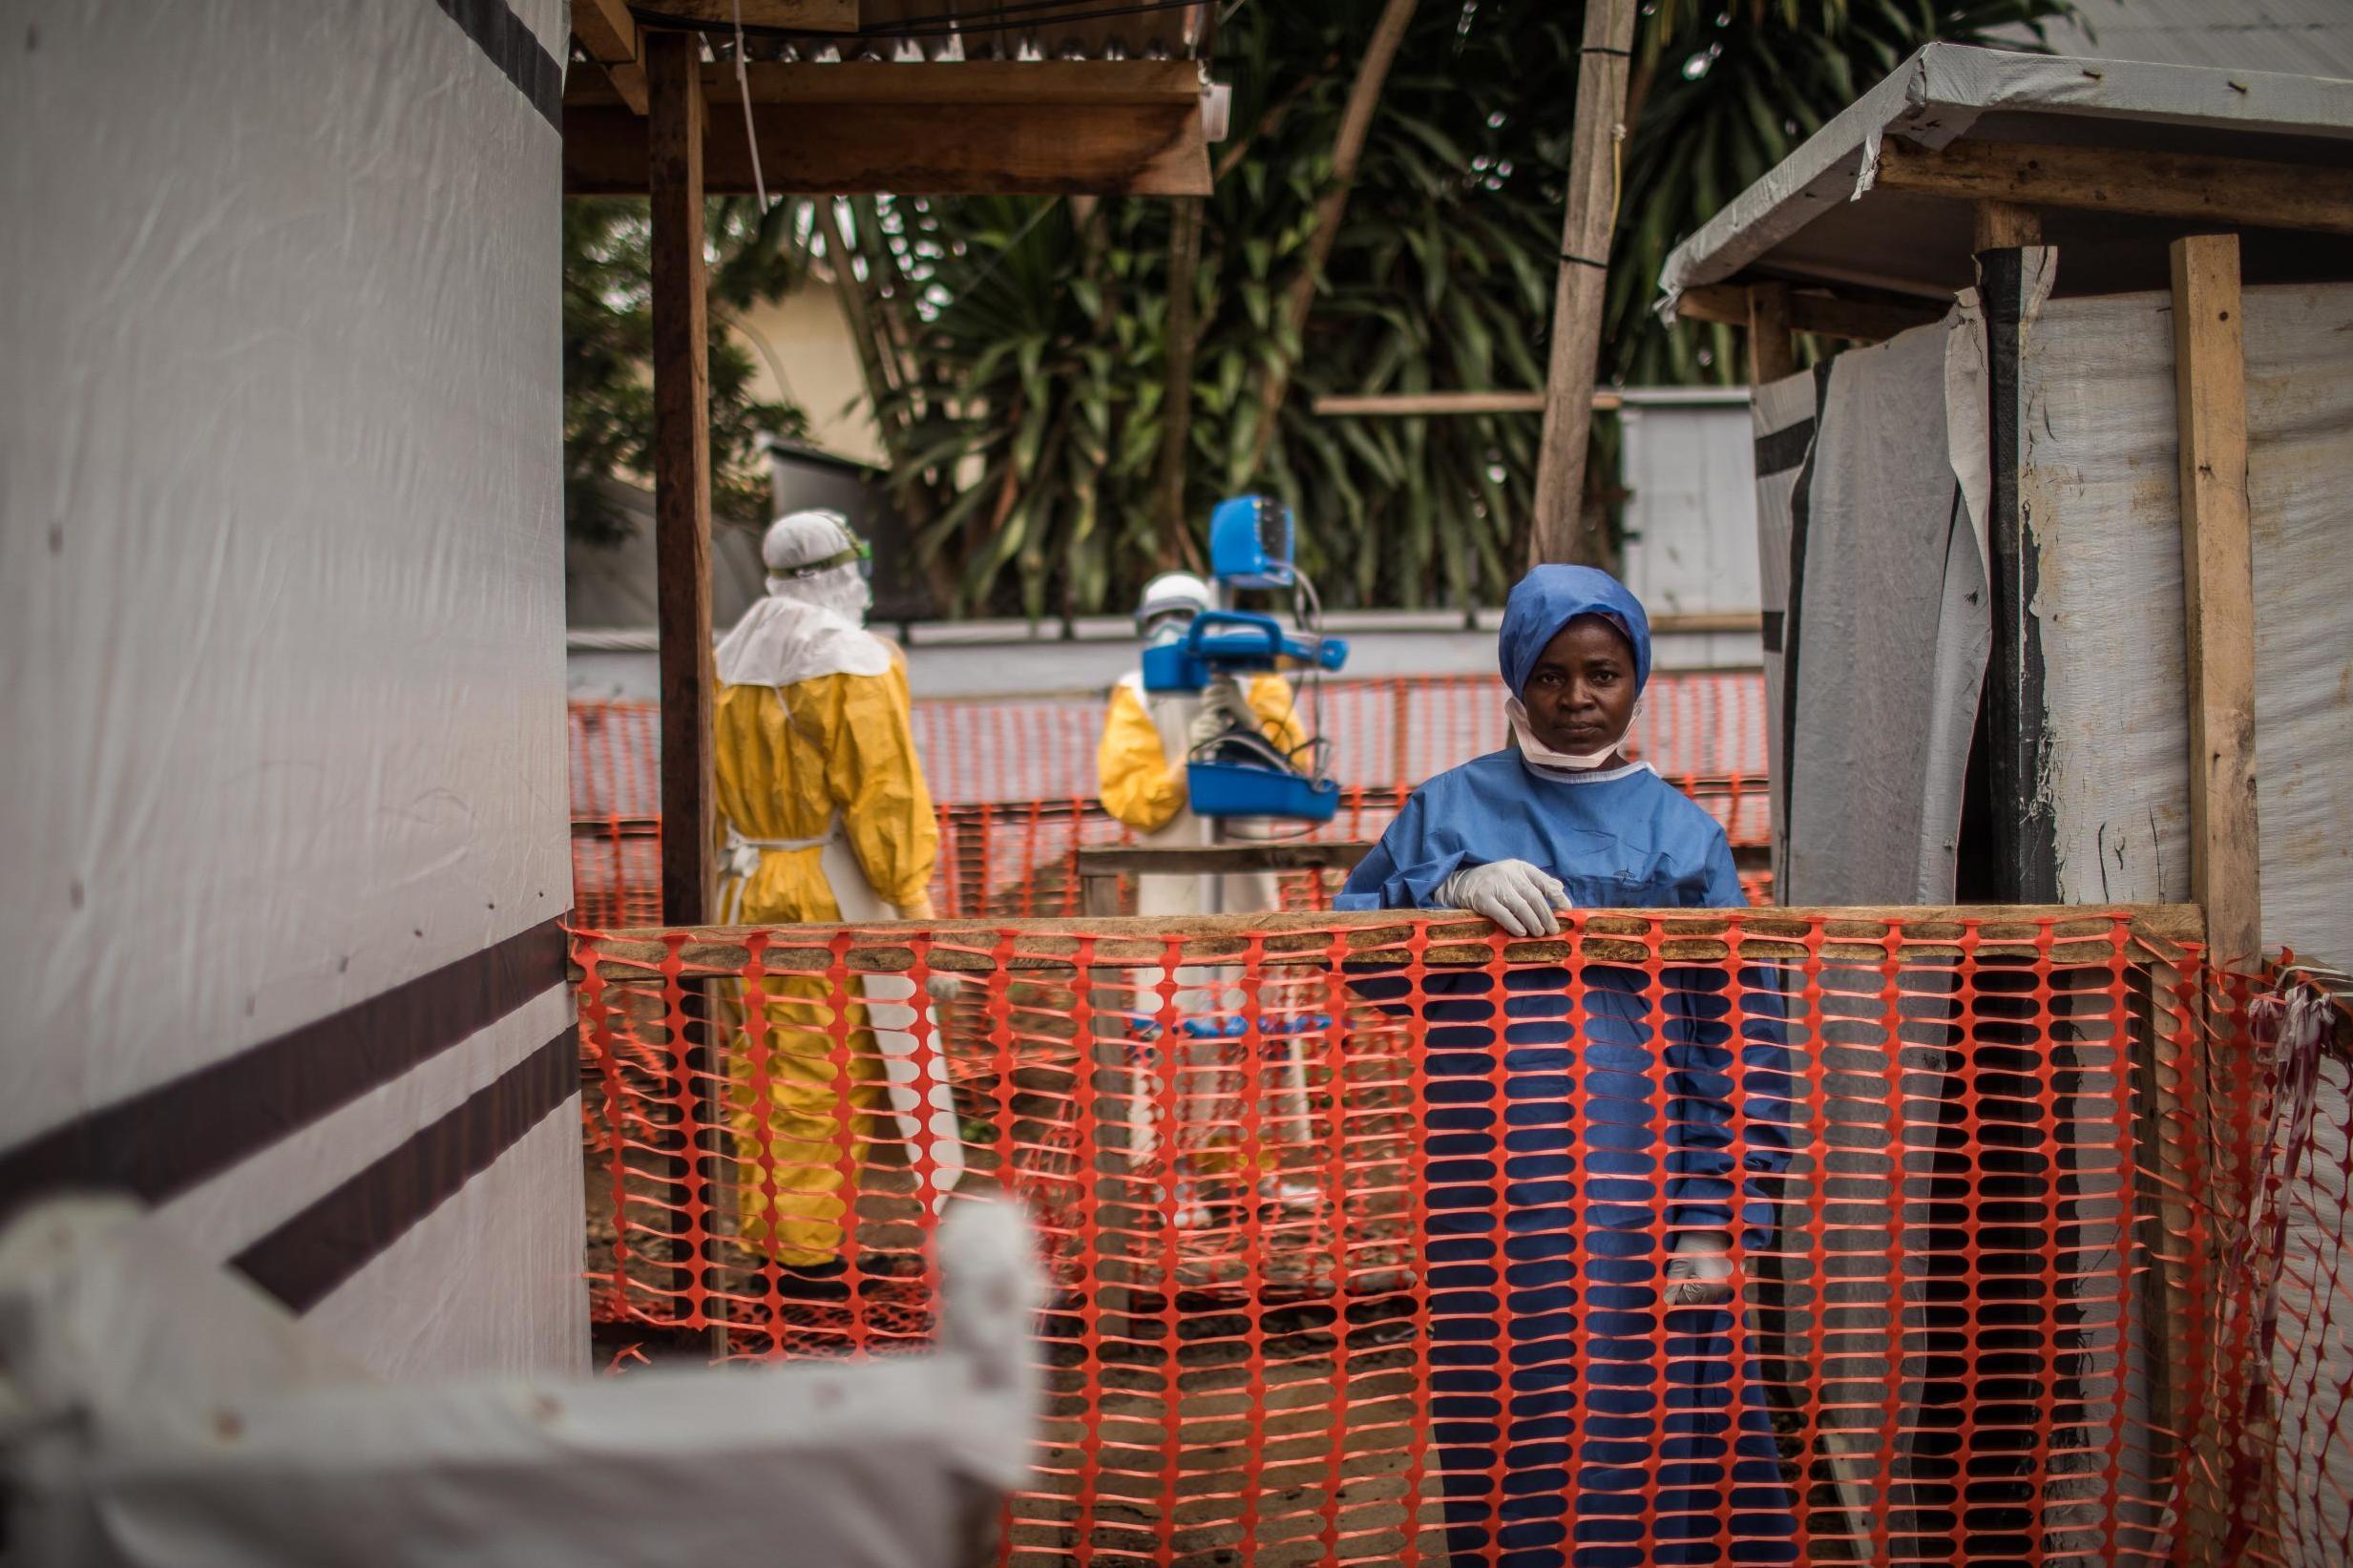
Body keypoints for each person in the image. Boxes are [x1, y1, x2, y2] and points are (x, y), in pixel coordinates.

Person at [1335, 565, 1799, 1568]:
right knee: (1506, 1435)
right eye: (1549, 674)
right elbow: (1354, 951)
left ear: (1637, 677)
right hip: (1487, 1212)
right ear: (1512, 676)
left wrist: (1714, 1216)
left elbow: (1739, 1038)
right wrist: (1448, 883)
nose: (1577, 698)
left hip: (1642, 1213)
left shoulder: (1682, 836)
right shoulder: (1446, 810)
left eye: (1601, 672)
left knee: (1646, 1448)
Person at [713, 509, 958, 1280]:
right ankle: (808, 1260)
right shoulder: (852, 660)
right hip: (828, 890)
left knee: (767, 1068)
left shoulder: (729, 654)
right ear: (848, 566)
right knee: (823, 1072)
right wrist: (913, 899)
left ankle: (776, 1237)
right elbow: (884, 797)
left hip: (749, 883)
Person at [1097, 572, 1314, 1221]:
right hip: (1175, 883)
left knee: (1259, 1026)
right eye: (1162, 617)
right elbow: (1129, 795)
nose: (1171, 629)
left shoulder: (1255, 677)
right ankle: (1173, 1171)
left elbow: (1294, 762)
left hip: (1248, 876)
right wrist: (1184, 764)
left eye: (1184, 615)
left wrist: (1242, 720)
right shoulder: (1136, 690)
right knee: (1176, 1025)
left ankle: (1255, 1169)